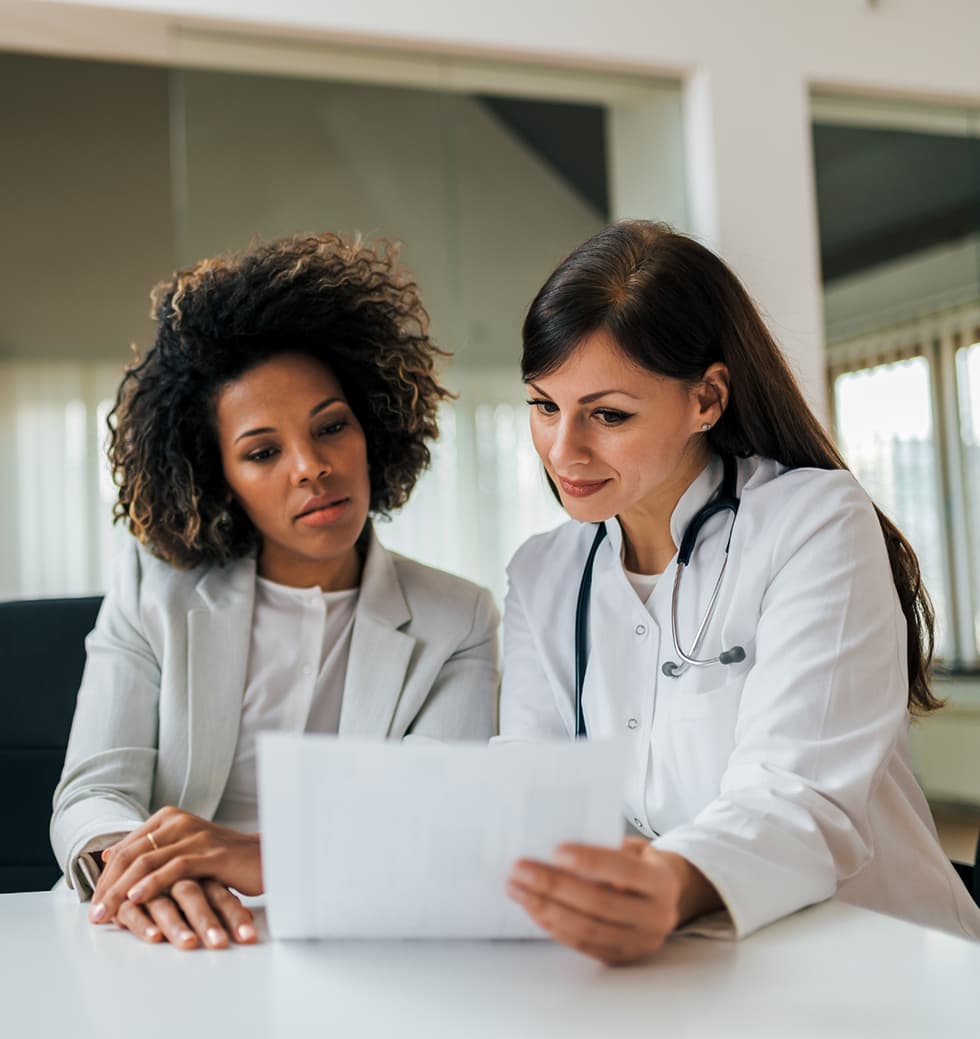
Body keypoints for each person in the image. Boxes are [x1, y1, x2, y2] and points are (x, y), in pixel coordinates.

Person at [501, 220, 980, 963]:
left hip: (882, 957)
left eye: (608, 414)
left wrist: (666, 880)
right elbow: (528, 792)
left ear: (707, 399)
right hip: (698, 962)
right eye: (543, 406)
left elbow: (802, 799)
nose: (564, 450)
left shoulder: (813, 522)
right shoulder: (542, 575)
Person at [51, 233, 499, 950]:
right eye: (263, 451)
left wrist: (260, 857)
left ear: (372, 429)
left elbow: (437, 826)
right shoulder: (152, 588)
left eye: (331, 427)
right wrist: (146, 871)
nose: (312, 467)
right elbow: (91, 793)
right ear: (216, 475)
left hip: (355, 939)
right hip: (160, 939)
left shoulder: (459, 618)